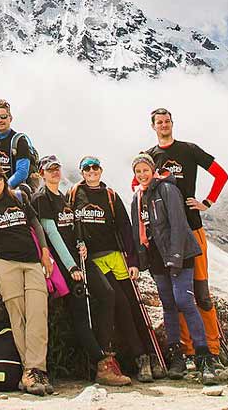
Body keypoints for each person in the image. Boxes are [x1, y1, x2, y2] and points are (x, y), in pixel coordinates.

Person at [34, 155, 131, 386]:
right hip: (65, 264)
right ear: (41, 174)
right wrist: (71, 266)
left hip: (80, 259)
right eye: (50, 170)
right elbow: (52, 233)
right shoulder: (42, 197)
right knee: (80, 312)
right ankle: (101, 364)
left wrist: (81, 244)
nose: (55, 172)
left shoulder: (64, 196)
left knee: (107, 294)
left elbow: (73, 227)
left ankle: (104, 350)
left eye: (57, 168)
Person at [143, 108, 228, 363]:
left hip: (192, 227)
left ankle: (213, 349)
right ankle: (189, 350)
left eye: (167, 121)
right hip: (166, 236)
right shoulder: (149, 156)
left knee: (200, 290)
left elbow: (221, 174)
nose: (164, 125)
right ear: (153, 126)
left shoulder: (189, 150)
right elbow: (139, 187)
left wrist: (207, 202)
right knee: (177, 293)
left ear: (172, 124)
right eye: (159, 122)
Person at [70, 155, 164, 381]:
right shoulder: (74, 194)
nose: (91, 172)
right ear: (82, 172)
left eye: (95, 168)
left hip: (115, 257)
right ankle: (141, 358)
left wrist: (132, 261)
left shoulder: (110, 195)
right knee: (121, 304)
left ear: (101, 170)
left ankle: (152, 357)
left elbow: (124, 227)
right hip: (94, 261)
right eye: (87, 168)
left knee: (134, 305)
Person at [130, 153, 217, 384]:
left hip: (180, 254)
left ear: (153, 170)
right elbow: (136, 231)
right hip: (158, 258)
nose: (142, 175)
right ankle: (176, 356)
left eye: (145, 170)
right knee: (168, 305)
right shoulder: (137, 198)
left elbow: (178, 223)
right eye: (138, 172)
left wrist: (176, 256)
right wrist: (140, 260)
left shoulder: (168, 190)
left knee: (185, 301)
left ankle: (204, 356)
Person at [0, 162, 54, 396]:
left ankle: (35, 369)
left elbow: (35, 224)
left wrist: (44, 252)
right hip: (6, 264)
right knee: (17, 315)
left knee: (38, 313)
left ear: (4, 179)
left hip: (31, 262)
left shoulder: (19, 198)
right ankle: (31, 371)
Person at [0, 99, 38, 192]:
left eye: (3, 116)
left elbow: (22, 172)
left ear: (10, 118)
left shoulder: (19, 141)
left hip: (11, 192)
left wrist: (3, 188)